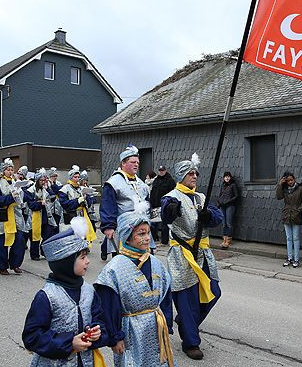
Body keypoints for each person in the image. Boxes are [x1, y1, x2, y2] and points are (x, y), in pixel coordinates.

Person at [95, 204, 175, 367]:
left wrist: (166, 322)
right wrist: (115, 337)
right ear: (127, 236)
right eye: (141, 234)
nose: (147, 238)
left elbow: (166, 296)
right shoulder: (114, 269)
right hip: (130, 331)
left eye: (148, 233)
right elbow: (109, 307)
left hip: (155, 327)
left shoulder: (155, 262)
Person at [22, 217, 108, 367]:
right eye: (82, 257)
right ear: (65, 262)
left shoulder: (89, 290)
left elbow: (99, 318)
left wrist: (96, 331)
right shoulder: (47, 296)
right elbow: (32, 337)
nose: (87, 261)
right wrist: (69, 343)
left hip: (86, 361)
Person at [161, 153, 223, 360]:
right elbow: (165, 214)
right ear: (181, 176)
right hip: (183, 254)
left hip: (203, 253)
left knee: (214, 291)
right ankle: (190, 342)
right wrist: (171, 210)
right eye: (190, 173)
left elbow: (218, 217)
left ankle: (188, 322)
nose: (194, 176)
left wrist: (210, 216)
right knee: (187, 299)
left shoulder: (202, 197)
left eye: (195, 172)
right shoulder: (171, 197)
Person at [100, 145, 154, 261]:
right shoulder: (113, 183)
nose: (136, 165)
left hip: (142, 229)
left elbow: (147, 203)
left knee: (145, 260)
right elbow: (107, 205)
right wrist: (108, 226)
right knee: (125, 262)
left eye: (138, 163)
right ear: (123, 163)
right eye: (132, 162)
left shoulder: (141, 184)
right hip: (124, 229)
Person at [0, 158, 27, 275]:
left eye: (12, 169)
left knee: (20, 240)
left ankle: (15, 264)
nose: (10, 172)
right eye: (8, 169)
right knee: (1, 243)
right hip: (2, 216)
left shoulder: (16, 183)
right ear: (3, 171)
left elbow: (21, 199)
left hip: (16, 216)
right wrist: (11, 197)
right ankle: (2, 266)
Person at [23, 168, 58, 260]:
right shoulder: (30, 190)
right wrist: (40, 203)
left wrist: (48, 188)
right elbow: (31, 205)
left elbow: (53, 198)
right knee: (35, 236)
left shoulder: (45, 189)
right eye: (41, 180)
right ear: (37, 180)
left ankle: (44, 251)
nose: (43, 182)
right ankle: (34, 254)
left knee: (48, 234)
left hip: (45, 215)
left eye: (44, 180)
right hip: (34, 216)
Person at [275, 171, 302, 267]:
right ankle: (289, 258)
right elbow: (278, 197)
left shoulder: (301, 189)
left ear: (294, 179)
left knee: (296, 238)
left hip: (296, 216)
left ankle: (296, 259)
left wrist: (298, 210)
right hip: (286, 216)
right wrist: (280, 184)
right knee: (289, 238)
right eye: (288, 181)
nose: (290, 182)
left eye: (291, 180)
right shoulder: (284, 189)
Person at [59, 165, 97, 245]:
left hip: (82, 214)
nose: (77, 179)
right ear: (71, 178)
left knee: (84, 233)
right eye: (75, 177)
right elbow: (64, 204)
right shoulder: (64, 189)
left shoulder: (81, 188)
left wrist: (87, 197)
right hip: (70, 215)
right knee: (73, 234)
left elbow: (89, 204)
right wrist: (77, 201)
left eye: (78, 177)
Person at [149, 165, 176, 245]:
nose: (161, 172)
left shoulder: (170, 180)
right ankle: (153, 239)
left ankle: (164, 241)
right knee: (154, 223)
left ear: (165, 170)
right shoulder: (156, 180)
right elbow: (153, 192)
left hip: (165, 206)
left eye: (162, 170)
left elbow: (172, 193)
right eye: (160, 170)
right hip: (155, 205)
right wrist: (151, 202)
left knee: (165, 224)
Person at [217, 171, 238, 249]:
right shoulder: (223, 185)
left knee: (229, 223)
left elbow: (236, 196)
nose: (227, 178)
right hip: (223, 206)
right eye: (225, 177)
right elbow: (220, 195)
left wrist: (229, 201)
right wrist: (219, 203)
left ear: (230, 177)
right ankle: (224, 240)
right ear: (224, 178)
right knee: (224, 223)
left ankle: (228, 240)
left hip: (230, 206)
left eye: (228, 176)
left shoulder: (233, 185)